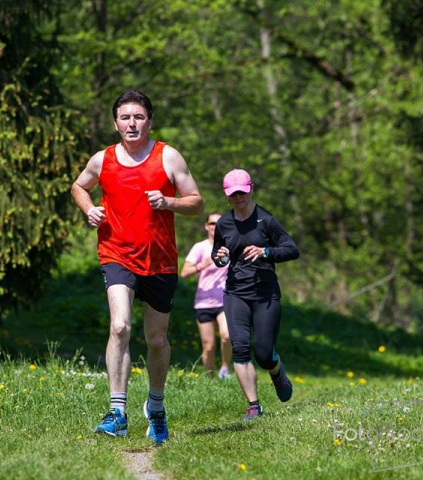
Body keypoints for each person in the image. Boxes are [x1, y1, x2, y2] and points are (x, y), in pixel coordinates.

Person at [71, 89, 203, 445]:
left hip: (160, 260)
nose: (132, 123)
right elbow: (79, 186)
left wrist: (169, 202)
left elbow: (196, 202)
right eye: (125, 117)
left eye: (139, 117)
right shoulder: (102, 159)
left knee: (156, 340)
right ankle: (117, 413)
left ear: (150, 122)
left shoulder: (168, 156)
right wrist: (89, 209)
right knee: (120, 326)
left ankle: (156, 408)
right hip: (116, 253)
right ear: (116, 123)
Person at [211, 168, 299, 421]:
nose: (238, 197)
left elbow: (292, 249)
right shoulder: (224, 224)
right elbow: (218, 254)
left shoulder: (266, 220)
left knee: (263, 353)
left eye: (242, 192)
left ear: (250, 191)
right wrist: (220, 257)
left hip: (265, 294)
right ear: (227, 196)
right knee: (239, 348)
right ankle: (253, 405)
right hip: (235, 292)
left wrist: (266, 252)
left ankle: (276, 371)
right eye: (233, 194)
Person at [180, 213, 232, 380]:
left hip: (225, 300)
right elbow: (184, 273)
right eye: (212, 223)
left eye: (219, 223)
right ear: (206, 226)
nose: (215, 227)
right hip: (203, 302)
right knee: (208, 347)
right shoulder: (200, 247)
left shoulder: (229, 246)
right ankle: (210, 379)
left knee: (227, 335)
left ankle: (225, 369)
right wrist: (205, 263)